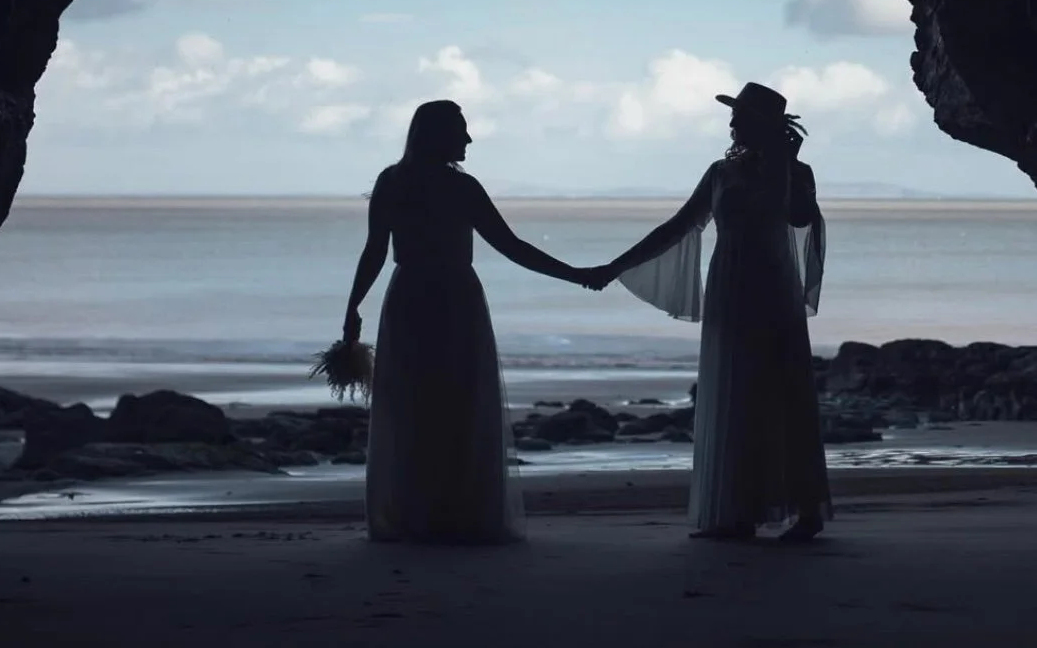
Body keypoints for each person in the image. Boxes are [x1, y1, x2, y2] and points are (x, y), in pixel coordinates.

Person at [583, 82, 831, 543]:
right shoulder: (720, 173)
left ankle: (804, 510)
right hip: (730, 286)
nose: (732, 123)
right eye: (734, 115)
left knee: (781, 389)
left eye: (742, 115)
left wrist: (785, 164)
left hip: (774, 287)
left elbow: (801, 218)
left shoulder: (797, 172)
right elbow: (678, 227)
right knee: (734, 391)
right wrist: (615, 267)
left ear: (764, 124)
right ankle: (737, 511)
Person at [344, 99, 590, 544]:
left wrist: (353, 307)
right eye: (461, 130)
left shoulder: (393, 181)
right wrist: (576, 275)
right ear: (438, 134)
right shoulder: (461, 188)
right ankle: (459, 511)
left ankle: (414, 512)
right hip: (454, 299)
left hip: (410, 298)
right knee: (459, 402)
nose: (469, 139)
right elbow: (511, 246)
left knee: (414, 405)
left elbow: (375, 251)